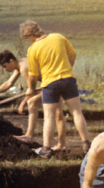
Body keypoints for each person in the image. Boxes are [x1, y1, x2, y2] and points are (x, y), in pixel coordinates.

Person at [20, 20, 90, 156]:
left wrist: (31, 89)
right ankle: (86, 143)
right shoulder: (58, 37)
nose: (28, 40)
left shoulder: (33, 49)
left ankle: (46, 149)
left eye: (27, 38)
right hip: (68, 79)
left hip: (49, 84)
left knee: (49, 117)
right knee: (76, 112)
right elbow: (72, 55)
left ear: (29, 35)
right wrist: (67, 69)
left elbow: (33, 75)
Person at [0, 50, 67, 150]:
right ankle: (62, 145)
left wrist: (22, 103)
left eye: (4, 66)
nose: (4, 70)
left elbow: (31, 91)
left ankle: (28, 136)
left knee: (31, 102)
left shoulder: (24, 68)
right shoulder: (20, 64)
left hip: (55, 83)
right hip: (57, 81)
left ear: (11, 61)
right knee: (58, 114)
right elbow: (9, 83)